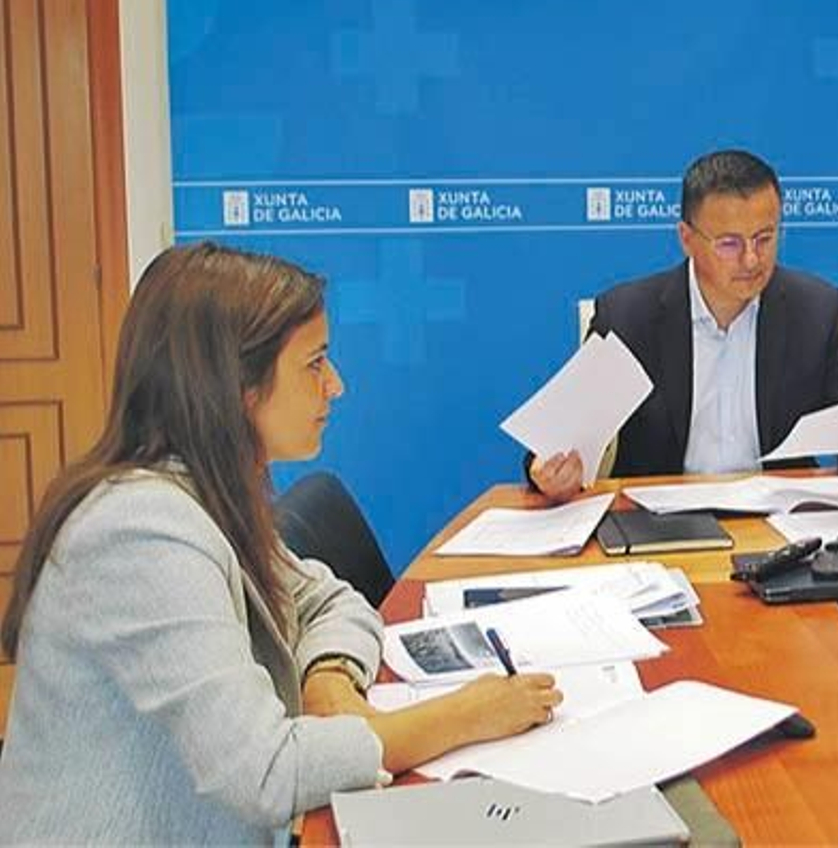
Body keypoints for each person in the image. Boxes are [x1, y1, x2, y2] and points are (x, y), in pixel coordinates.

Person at [0, 243, 563, 843]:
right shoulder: (141, 532)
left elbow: (330, 600)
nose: (336, 385)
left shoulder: (203, 495)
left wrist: (329, 677)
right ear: (237, 386)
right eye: (315, 363)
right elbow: (264, 772)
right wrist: (466, 716)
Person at [528, 149, 838, 500]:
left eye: (765, 238)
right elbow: (552, 446)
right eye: (729, 244)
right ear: (687, 239)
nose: (752, 260)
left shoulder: (816, 310)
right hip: (659, 521)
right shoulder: (628, 317)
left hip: (781, 521)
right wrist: (548, 473)